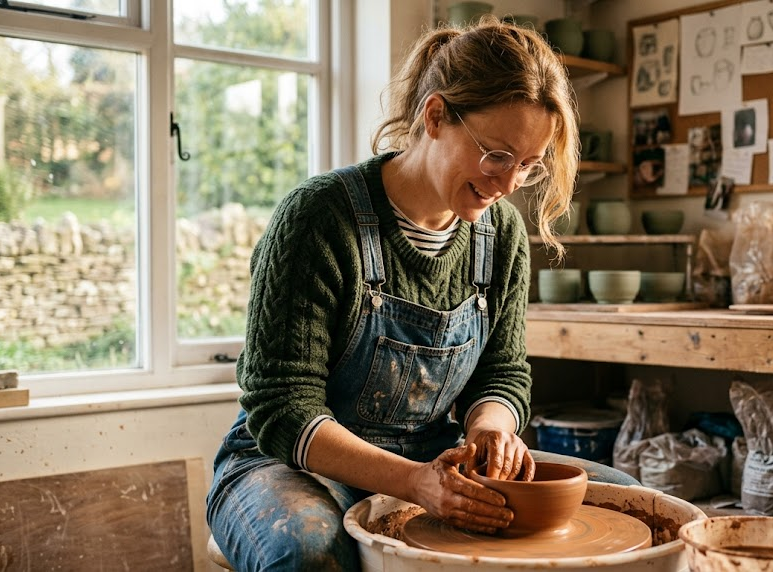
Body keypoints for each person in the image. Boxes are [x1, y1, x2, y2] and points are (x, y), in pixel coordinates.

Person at [206, 16, 638, 571]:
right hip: (288, 466)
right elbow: (282, 407)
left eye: (529, 166)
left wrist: (492, 429)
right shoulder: (319, 217)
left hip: (427, 458)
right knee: (310, 554)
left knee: (624, 498)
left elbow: (503, 372)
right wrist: (415, 483)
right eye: (497, 155)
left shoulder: (500, 234)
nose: (508, 184)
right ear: (435, 117)